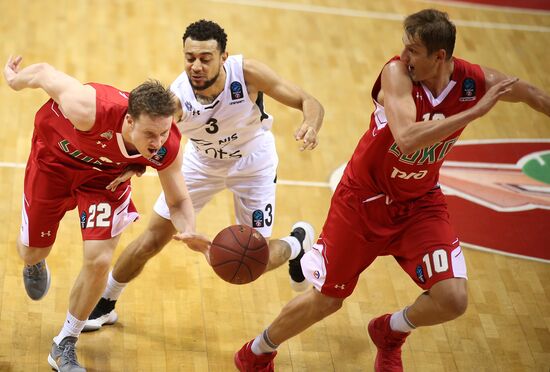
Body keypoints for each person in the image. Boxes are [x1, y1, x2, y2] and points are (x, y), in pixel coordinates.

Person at [234, 8, 550, 372]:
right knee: (328, 300)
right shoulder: (396, 75)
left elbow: (531, 94)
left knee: (453, 298)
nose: (404, 56)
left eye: (413, 50)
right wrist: (473, 114)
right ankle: (256, 352)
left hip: (419, 203)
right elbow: (408, 138)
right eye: (404, 47)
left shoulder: (472, 82)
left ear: (440, 56)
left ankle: (391, 331)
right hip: (363, 203)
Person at [83, 19, 324, 331]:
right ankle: (106, 302)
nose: (196, 66)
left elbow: (309, 100)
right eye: (189, 58)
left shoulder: (248, 74)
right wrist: (137, 162)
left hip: (254, 163)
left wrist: (311, 123)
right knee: (152, 240)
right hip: (203, 163)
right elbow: (151, 135)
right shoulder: (176, 99)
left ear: (224, 57)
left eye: (205, 59)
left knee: (251, 263)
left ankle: (297, 243)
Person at [3, 56, 210, 372]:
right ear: (129, 122)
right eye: (150, 134)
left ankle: (65, 342)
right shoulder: (87, 107)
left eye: (164, 132)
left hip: (105, 181)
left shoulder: (167, 144)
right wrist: (13, 80)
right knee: (32, 249)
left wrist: (189, 229)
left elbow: (179, 201)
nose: (158, 143)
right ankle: (33, 262)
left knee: (99, 260)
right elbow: (44, 73)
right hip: (54, 164)